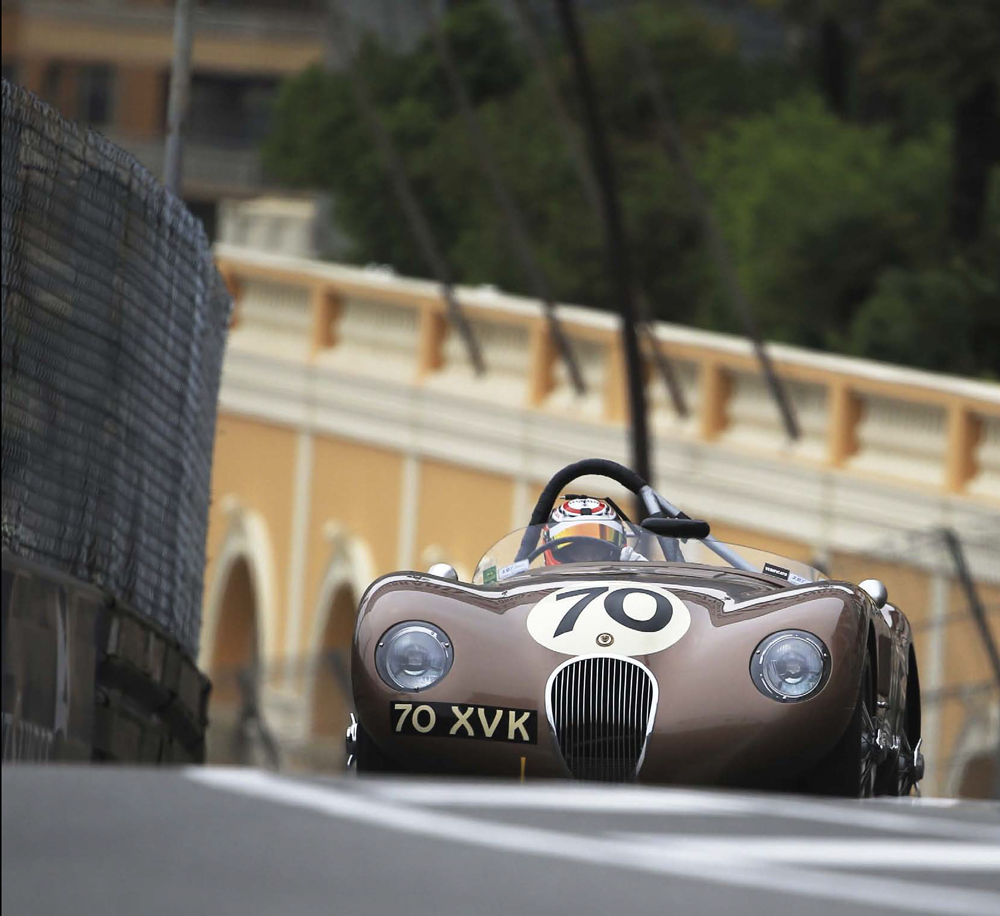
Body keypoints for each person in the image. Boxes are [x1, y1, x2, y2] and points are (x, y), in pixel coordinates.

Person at [541, 497, 647, 565]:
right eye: (579, 552)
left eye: (597, 551)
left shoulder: (630, 588)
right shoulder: (537, 592)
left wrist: (645, 574)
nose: (589, 559)